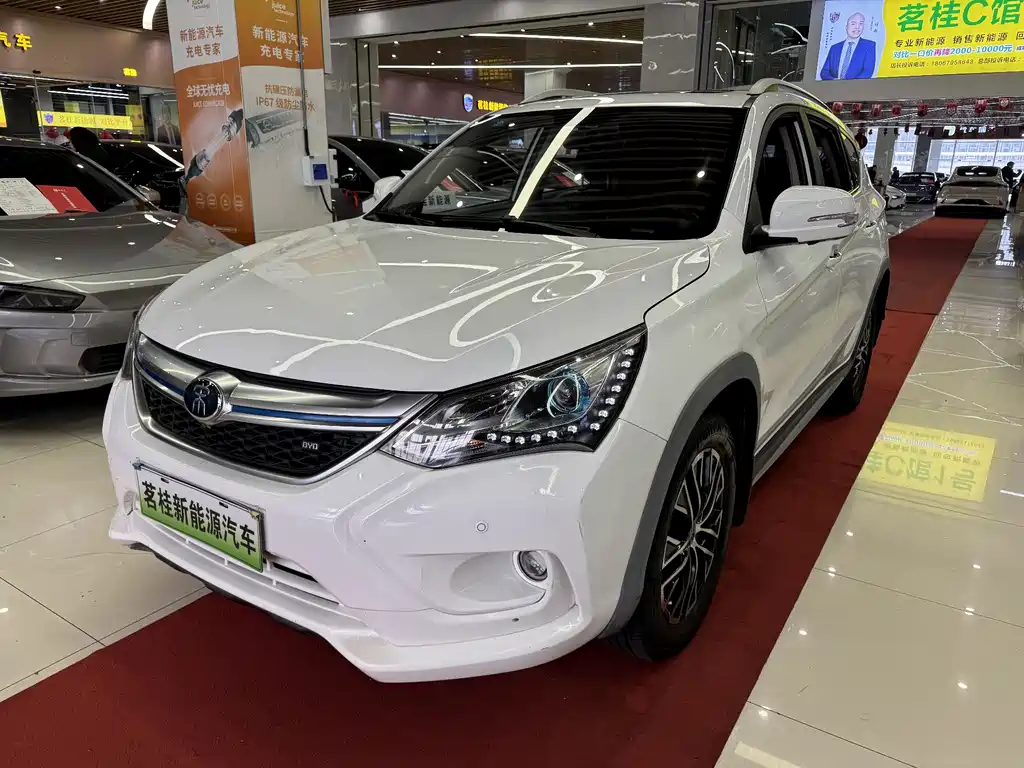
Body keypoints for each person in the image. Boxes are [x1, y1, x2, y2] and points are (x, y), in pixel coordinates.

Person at [819, 12, 877, 80]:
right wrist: (834, 81)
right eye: (853, 24)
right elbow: (824, 72)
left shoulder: (869, 46)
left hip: (857, 86)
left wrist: (848, 84)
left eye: (861, 24)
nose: (857, 27)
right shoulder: (834, 48)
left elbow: (867, 72)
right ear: (846, 26)